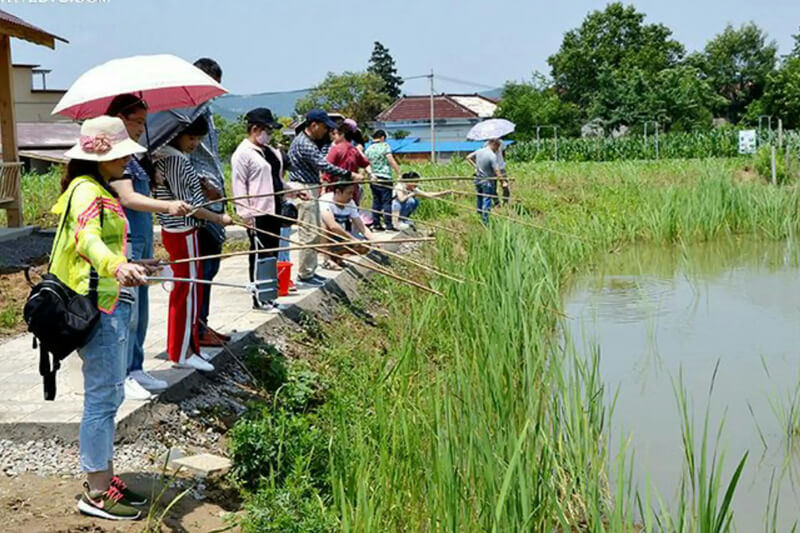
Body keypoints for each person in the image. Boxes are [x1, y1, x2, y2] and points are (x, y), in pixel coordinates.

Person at [50, 116, 152, 520]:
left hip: (110, 298)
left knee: (110, 394)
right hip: (100, 307)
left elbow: (99, 244)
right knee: (102, 398)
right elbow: (87, 239)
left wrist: (135, 263)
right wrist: (115, 266)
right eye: (120, 151)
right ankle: (95, 493)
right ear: (101, 156)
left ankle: (103, 477)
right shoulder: (86, 191)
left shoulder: (95, 187)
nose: (127, 157)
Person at [105, 94, 192, 400]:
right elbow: (128, 199)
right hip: (124, 244)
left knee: (140, 310)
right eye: (137, 121)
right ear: (119, 119)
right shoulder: (114, 158)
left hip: (141, 241)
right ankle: (123, 374)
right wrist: (167, 206)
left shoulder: (134, 157)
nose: (142, 128)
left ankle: (137, 366)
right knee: (126, 312)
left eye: (144, 121)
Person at [153, 116, 233, 372]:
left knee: (191, 291)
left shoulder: (171, 156)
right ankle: (182, 352)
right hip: (181, 231)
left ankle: (188, 349)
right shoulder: (174, 159)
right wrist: (218, 218)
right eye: (191, 138)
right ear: (177, 134)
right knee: (186, 292)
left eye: (199, 139)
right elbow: (190, 207)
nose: (194, 144)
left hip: (184, 231)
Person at [287, 109, 352, 287]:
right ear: (313, 125)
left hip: (310, 187)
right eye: (324, 127)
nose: (326, 131)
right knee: (309, 233)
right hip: (304, 188)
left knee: (313, 231)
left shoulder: (311, 141)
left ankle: (310, 270)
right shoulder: (304, 143)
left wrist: (325, 143)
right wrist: (348, 174)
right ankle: (305, 273)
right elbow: (322, 164)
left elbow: (322, 155)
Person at [190, 58, 229, 347]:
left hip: (216, 202)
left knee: (210, 269)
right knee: (201, 271)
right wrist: (203, 186)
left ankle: (203, 324)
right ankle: (196, 328)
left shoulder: (207, 111)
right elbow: (181, 157)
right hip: (199, 204)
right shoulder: (184, 113)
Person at [231, 107, 285, 310]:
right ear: (255, 129)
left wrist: (292, 191)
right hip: (257, 212)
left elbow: (276, 180)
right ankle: (258, 297)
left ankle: (270, 293)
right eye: (267, 130)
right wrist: (245, 214)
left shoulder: (268, 152)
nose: (269, 135)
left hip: (273, 209)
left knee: (272, 253)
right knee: (259, 254)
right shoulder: (243, 154)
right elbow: (238, 186)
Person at [319, 182, 376, 268]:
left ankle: (337, 257)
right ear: (338, 192)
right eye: (348, 193)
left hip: (341, 236)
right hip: (323, 237)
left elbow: (361, 226)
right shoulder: (325, 200)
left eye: (352, 193)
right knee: (325, 226)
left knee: (364, 247)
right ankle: (327, 260)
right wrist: (352, 239)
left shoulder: (351, 203)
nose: (351, 196)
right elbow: (333, 226)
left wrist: (374, 241)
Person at [323, 121, 373, 204]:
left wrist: (323, 189)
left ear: (342, 135)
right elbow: (366, 164)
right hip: (351, 192)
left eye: (335, 134)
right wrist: (371, 174)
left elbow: (327, 170)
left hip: (336, 191)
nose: (333, 136)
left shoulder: (335, 149)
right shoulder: (354, 150)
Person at [365, 129, 401, 231]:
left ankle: (376, 224)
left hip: (373, 179)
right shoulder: (385, 146)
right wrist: (399, 173)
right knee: (387, 202)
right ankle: (388, 225)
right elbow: (391, 160)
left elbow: (366, 164)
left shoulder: (369, 149)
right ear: (382, 138)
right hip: (385, 177)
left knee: (376, 202)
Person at [466, 139, 503, 224]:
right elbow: (497, 170)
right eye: (497, 147)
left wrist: (475, 166)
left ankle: (479, 215)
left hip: (478, 179)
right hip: (487, 181)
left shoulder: (479, 151)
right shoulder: (492, 155)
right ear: (494, 144)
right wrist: (502, 182)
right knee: (487, 199)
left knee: (479, 197)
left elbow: (468, 157)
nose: (497, 150)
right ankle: (485, 221)